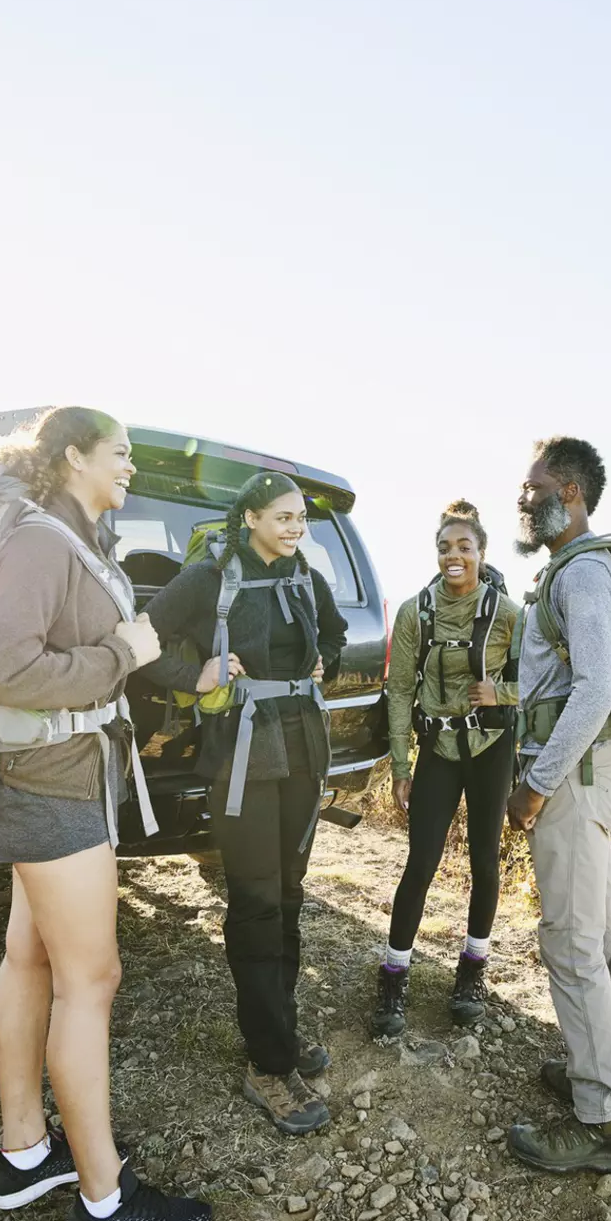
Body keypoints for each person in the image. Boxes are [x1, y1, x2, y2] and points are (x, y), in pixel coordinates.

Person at [0, 406, 212, 1221]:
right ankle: (105, 1204)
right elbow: (4, 669)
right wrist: (119, 656)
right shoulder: (39, 543)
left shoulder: (69, 540)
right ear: (74, 457)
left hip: (54, 777)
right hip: (50, 785)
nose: (131, 468)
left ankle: (25, 1155)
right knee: (91, 978)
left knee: (30, 958)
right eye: (121, 454)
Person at [145, 471, 347, 1135]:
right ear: (251, 518)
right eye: (283, 518)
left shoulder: (304, 575)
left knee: (288, 894)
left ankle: (277, 1036)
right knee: (257, 901)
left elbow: (335, 635)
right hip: (242, 759)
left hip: (302, 751)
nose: (295, 529)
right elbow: (140, 642)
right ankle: (266, 1065)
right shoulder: (207, 580)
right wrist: (193, 674)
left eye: (301, 520)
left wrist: (326, 667)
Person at [503, 436, 611, 1175]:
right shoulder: (573, 570)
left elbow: (592, 690)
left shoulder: (583, 575)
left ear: (567, 492)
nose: (520, 499)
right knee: (600, 931)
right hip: (590, 774)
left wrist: (535, 783)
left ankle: (603, 1123)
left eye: (530, 489)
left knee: (568, 942)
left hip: (574, 778)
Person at [372, 501, 521, 1038]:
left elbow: (541, 683)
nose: (453, 556)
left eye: (464, 547)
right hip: (437, 749)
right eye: (444, 547)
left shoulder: (508, 613)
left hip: (491, 749)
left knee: (485, 860)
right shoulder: (418, 611)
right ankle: (392, 977)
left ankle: (471, 972)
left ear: (482, 553)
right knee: (421, 863)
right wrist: (400, 763)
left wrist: (499, 691)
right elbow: (401, 690)